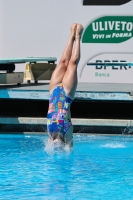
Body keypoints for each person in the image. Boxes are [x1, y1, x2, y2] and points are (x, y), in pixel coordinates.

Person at [47, 23, 84, 147]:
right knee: (72, 63)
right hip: (67, 94)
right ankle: (78, 36)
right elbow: (70, 151)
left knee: (62, 62)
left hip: (53, 91)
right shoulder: (68, 135)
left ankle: (71, 35)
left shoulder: (50, 135)